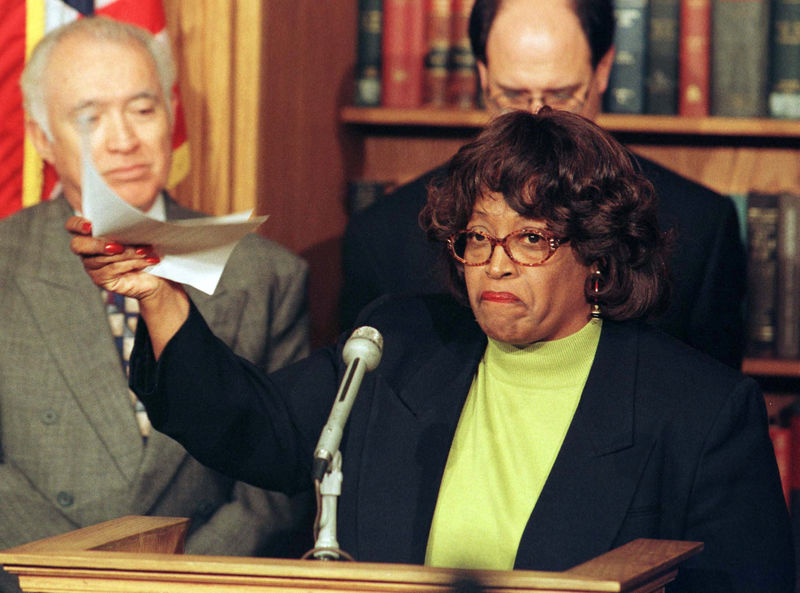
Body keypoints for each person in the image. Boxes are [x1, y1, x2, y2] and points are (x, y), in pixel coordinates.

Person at [70, 109, 792, 592]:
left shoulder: (698, 411)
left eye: (531, 237)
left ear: (597, 255)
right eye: (477, 236)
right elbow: (254, 428)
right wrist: (160, 297)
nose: (496, 264)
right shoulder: (397, 344)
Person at [0, 16, 313, 591]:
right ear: (42, 139)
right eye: (91, 118)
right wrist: (73, 576)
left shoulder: (267, 274)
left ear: (171, 114)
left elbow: (278, 491)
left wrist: (167, 579)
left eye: (143, 110)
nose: (124, 140)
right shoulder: (4, 264)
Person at [340, 0, 746, 370]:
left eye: (563, 96)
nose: (538, 117)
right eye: (513, 96)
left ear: (602, 71)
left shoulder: (700, 228)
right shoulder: (383, 237)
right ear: (483, 77)